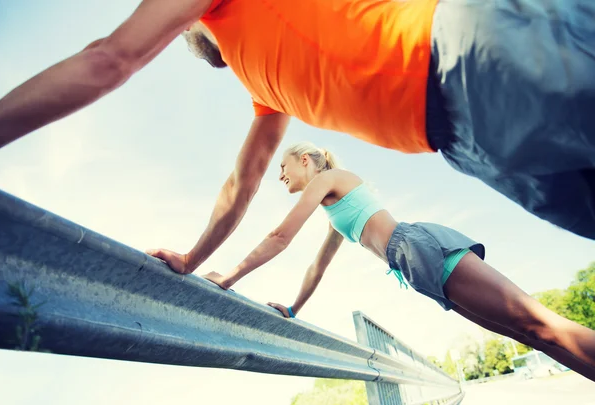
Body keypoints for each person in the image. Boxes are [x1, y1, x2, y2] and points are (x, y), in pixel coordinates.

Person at [0, 0, 594, 283]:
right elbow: (241, 184)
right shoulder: (265, 94)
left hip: (461, 52)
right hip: (462, 140)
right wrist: (191, 259)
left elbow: (109, 59)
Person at [198, 142, 595, 380]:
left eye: (282, 167)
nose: (279, 176)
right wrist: (292, 307)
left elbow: (280, 237)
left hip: (417, 247)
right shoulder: (337, 213)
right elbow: (317, 267)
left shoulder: (329, 179)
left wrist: (229, 277)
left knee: (541, 325)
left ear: (306, 160)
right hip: (412, 264)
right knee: (529, 335)